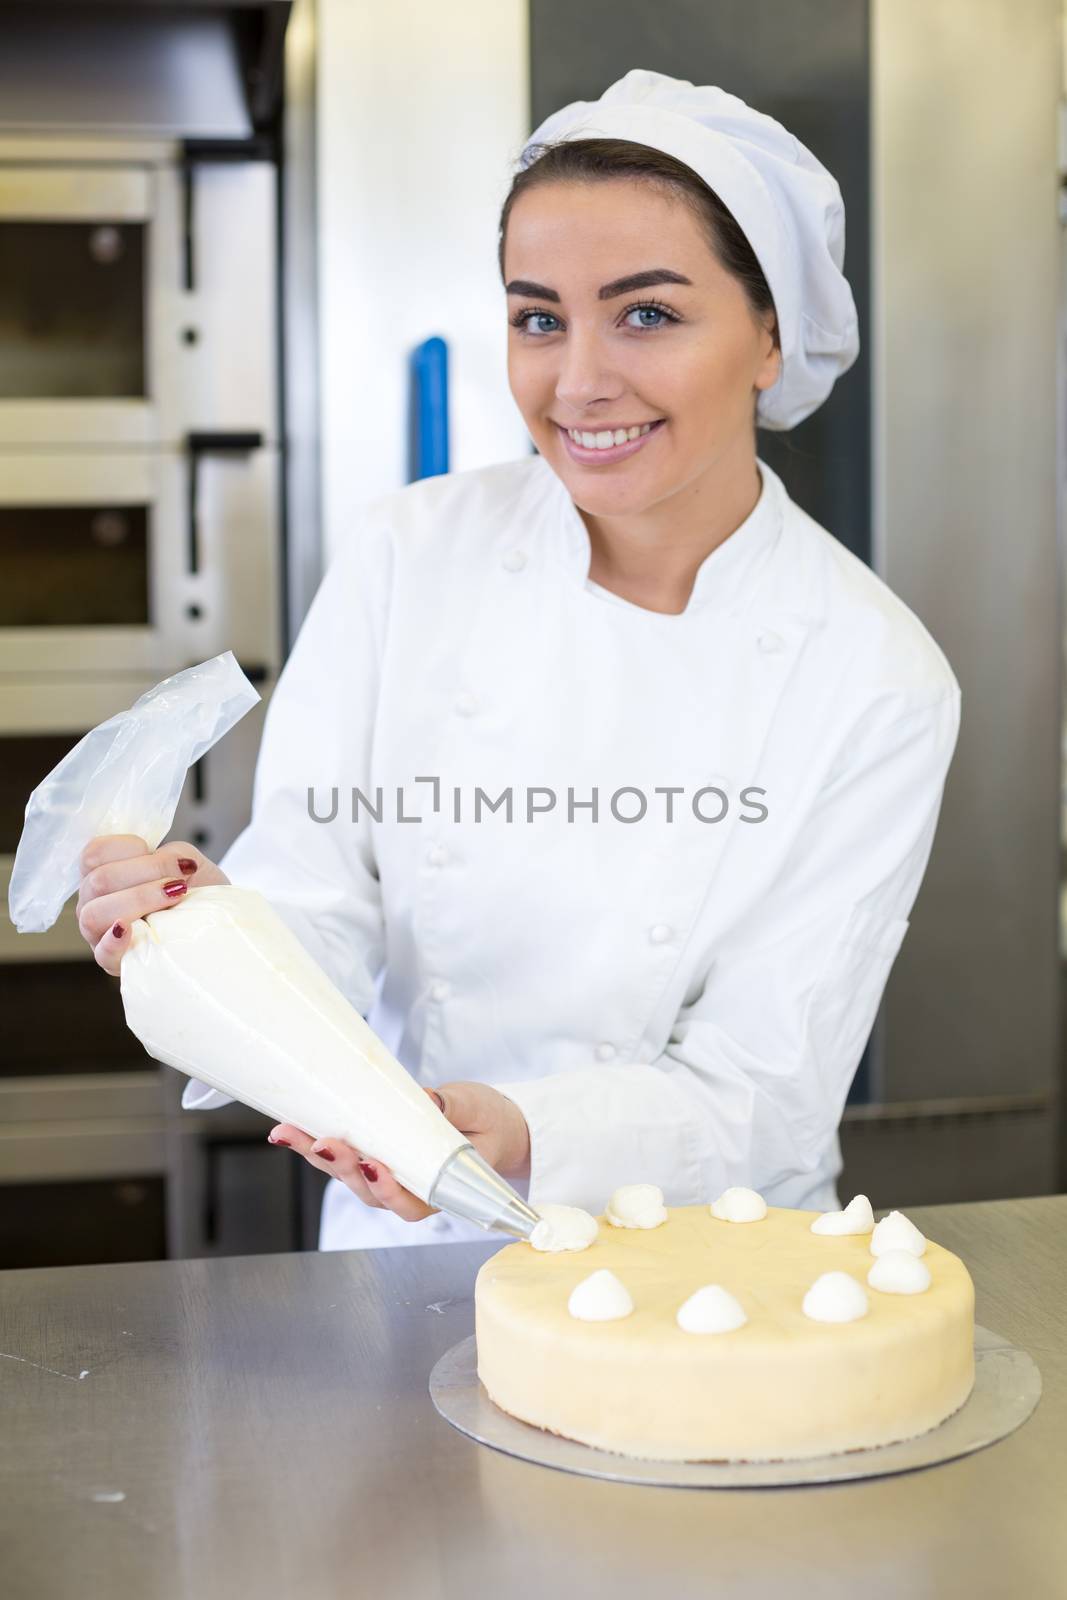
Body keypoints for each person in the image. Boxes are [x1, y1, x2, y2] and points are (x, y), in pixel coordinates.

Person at [75, 69, 960, 1250]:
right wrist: (207, 937)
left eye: (646, 313)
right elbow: (314, 901)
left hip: (706, 1279)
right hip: (397, 1247)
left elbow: (761, 1090)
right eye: (538, 316)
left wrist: (520, 1132)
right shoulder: (411, 554)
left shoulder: (875, 677)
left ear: (768, 336)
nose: (578, 381)